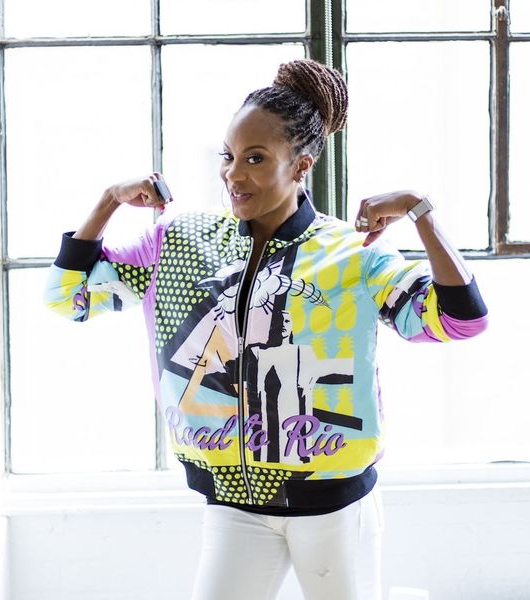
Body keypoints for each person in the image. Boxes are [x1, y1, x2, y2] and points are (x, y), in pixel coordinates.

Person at [44, 58, 488, 600]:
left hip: (333, 504)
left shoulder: (353, 254)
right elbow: (68, 297)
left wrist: (421, 212)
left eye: (255, 159)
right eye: (228, 157)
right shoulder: (178, 241)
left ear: (302, 165)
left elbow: (459, 320)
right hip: (233, 501)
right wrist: (109, 201)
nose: (234, 175)